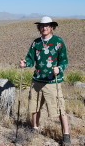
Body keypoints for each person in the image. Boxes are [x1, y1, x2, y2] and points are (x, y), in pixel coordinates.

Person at [19, 16, 71, 145]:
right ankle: (35, 128)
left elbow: (64, 60)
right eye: (42, 26)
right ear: (39, 28)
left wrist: (59, 68)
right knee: (34, 105)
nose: (44, 28)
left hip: (53, 81)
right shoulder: (36, 43)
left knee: (59, 107)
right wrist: (24, 63)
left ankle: (66, 134)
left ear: (52, 27)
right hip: (37, 80)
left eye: (47, 25)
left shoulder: (59, 42)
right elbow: (30, 59)